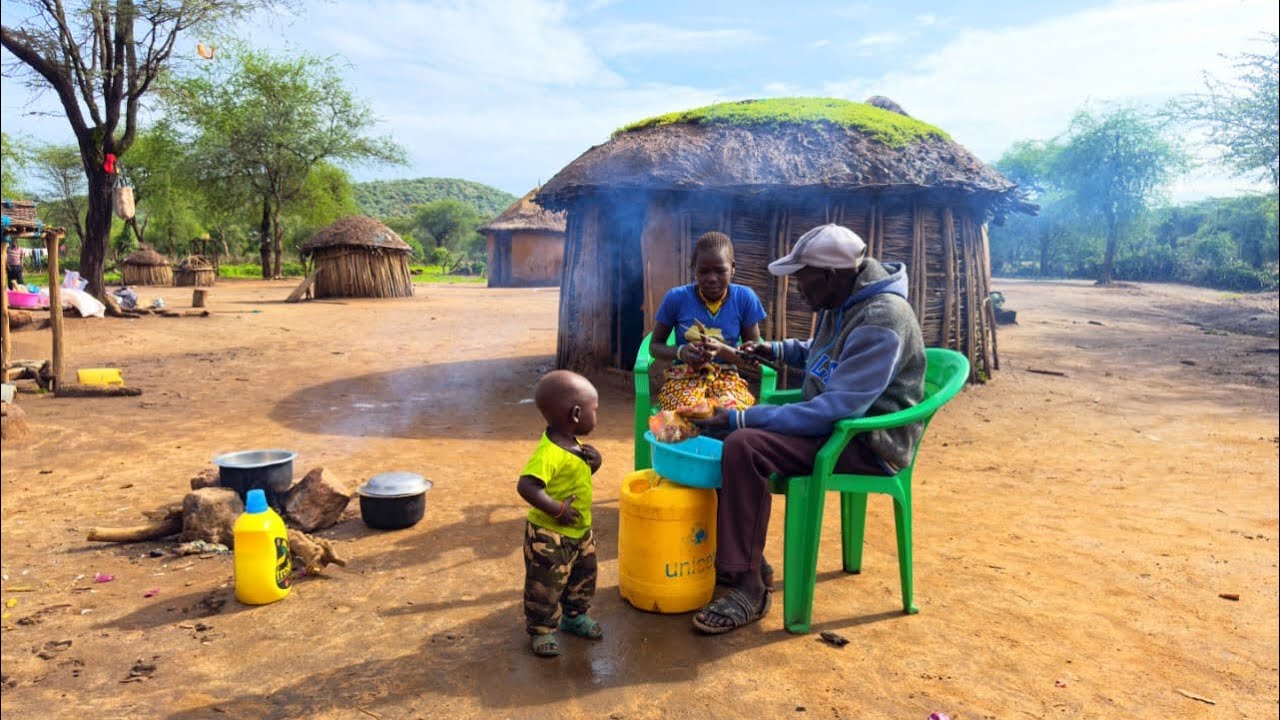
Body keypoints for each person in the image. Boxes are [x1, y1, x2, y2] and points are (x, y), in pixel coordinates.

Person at [689, 223, 926, 635]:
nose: (798, 289)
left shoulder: (883, 318)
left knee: (744, 443)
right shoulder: (845, 300)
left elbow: (833, 409)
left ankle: (749, 587)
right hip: (839, 428)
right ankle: (746, 558)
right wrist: (775, 350)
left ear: (830, 276)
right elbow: (825, 356)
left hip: (867, 442)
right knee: (725, 436)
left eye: (803, 279)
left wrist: (740, 417)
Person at [517, 369, 605, 657]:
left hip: (580, 531)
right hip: (549, 536)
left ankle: (575, 616)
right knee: (545, 586)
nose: (597, 416)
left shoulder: (573, 444)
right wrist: (556, 509)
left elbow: (576, 476)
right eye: (595, 410)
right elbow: (527, 486)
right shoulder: (549, 453)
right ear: (577, 414)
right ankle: (541, 629)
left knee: (584, 576)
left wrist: (595, 461)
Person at [649, 231, 767, 414]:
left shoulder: (744, 298)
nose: (712, 278)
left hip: (727, 379)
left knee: (733, 414)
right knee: (690, 412)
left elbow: (756, 358)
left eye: (720, 271)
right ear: (694, 268)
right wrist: (681, 352)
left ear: (733, 268)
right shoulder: (676, 298)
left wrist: (722, 350)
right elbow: (654, 346)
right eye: (703, 271)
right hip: (683, 378)